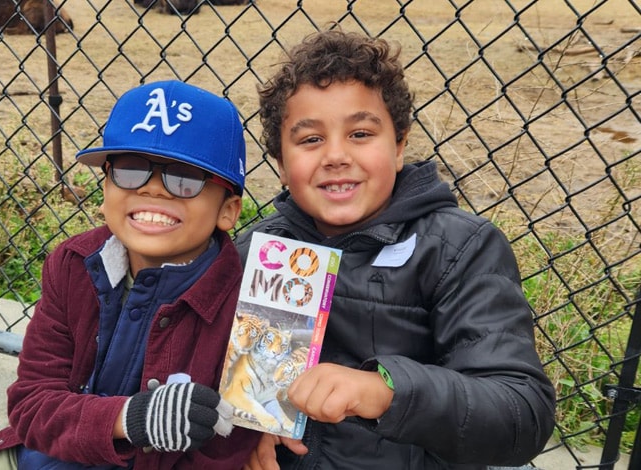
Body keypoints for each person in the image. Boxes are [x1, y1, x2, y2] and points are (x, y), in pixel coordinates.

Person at [238, 29, 557, 470]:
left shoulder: (459, 250)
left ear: (400, 144)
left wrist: (388, 392)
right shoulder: (259, 250)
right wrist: (242, 429)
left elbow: (521, 415)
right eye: (310, 140)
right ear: (280, 164)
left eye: (361, 133)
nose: (335, 155)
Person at [0, 80, 261, 470]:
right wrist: (128, 418)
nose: (153, 190)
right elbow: (31, 405)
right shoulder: (73, 264)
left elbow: (229, 452)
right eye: (130, 169)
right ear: (105, 187)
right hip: (49, 456)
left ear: (228, 211)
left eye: (185, 178)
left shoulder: (250, 306)